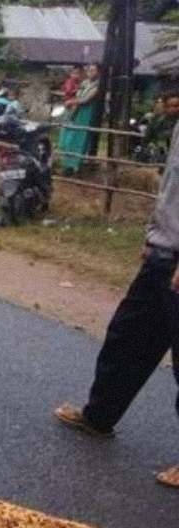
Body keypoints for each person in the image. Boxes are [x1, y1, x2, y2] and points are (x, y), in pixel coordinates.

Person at [54, 87, 179, 489]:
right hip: (163, 253)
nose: (167, 99)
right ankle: (99, 417)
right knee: (128, 336)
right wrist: (153, 234)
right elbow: (170, 189)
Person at [57, 64, 100, 173]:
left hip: (86, 114)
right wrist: (72, 102)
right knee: (70, 139)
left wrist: (72, 102)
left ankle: (76, 166)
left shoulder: (98, 85)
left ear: (99, 72)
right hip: (76, 112)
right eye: (89, 70)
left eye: (93, 70)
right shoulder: (85, 83)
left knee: (80, 140)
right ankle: (67, 165)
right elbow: (77, 94)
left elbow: (86, 99)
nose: (90, 72)